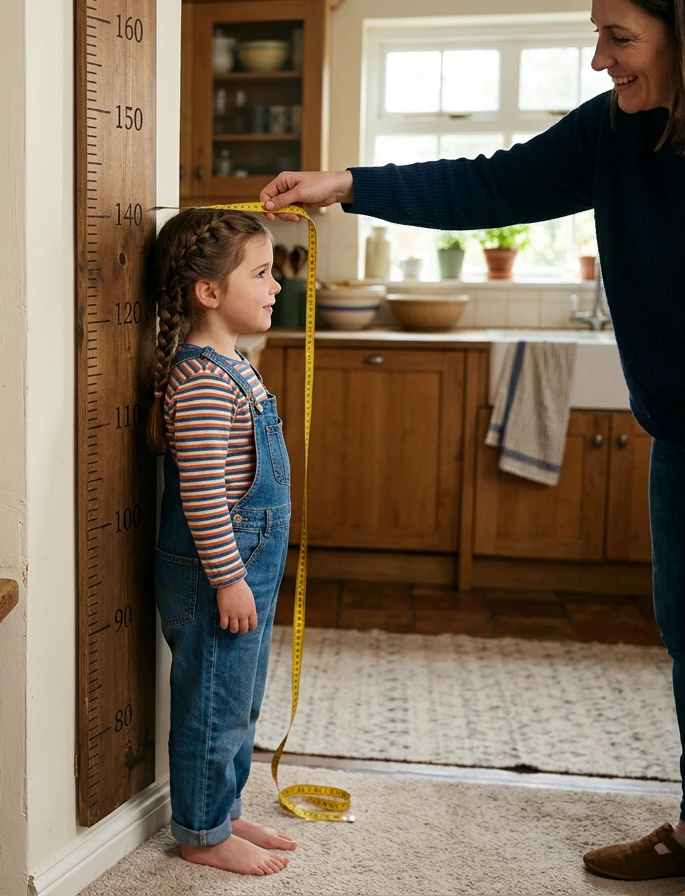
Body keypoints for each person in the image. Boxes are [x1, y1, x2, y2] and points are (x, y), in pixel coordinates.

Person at [259, 0, 685, 881]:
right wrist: (347, 183)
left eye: (620, 37)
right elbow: (489, 184)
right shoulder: (613, 133)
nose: (599, 57)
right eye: (598, 31)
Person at [146, 208, 298, 876]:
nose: (277, 286)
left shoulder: (230, 366)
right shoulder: (205, 382)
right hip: (221, 574)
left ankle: (223, 806)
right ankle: (201, 833)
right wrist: (230, 579)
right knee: (212, 702)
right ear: (208, 292)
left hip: (244, 568)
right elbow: (204, 498)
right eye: (261, 274)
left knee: (240, 700)